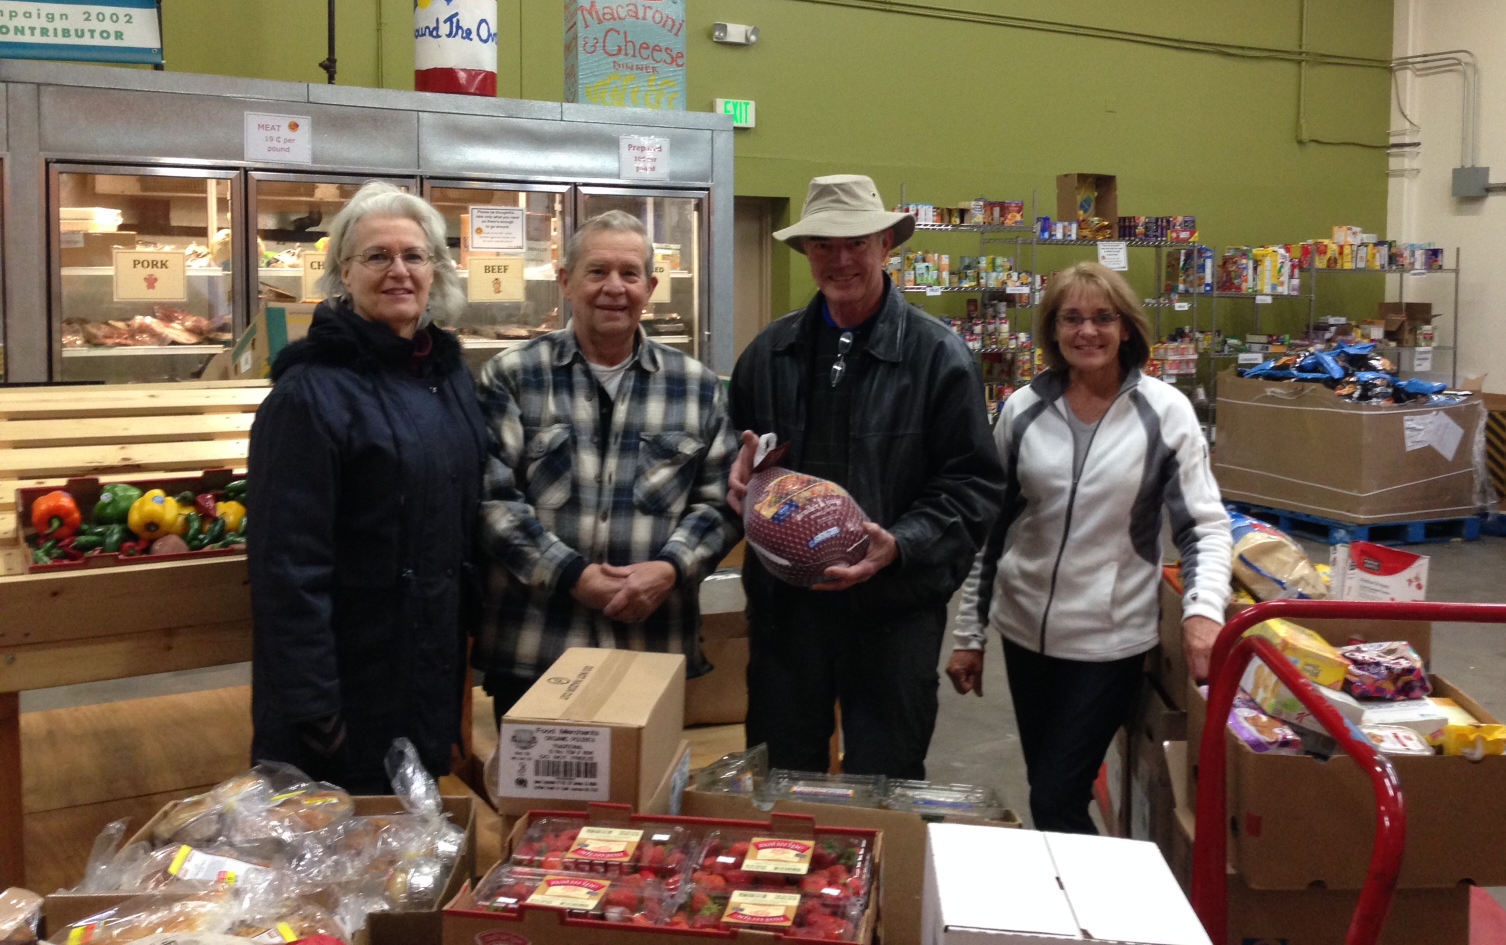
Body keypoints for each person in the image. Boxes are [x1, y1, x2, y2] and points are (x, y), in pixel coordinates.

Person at [726, 174, 1003, 780]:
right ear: (807, 252)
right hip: (787, 614)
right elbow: (734, 455)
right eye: (824, 243)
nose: (841, 258)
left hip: (893, 612)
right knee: (782, 780)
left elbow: (973, 486)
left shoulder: (938, 356)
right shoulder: (769, 354)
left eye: (856, 241)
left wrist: (899, 545)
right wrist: (738, 480)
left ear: (885, 244)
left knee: (884, 781)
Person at [945, 261, 1233, 833]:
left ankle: (1108, 915)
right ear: (1053, 330)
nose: (1087, 332)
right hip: (1026, 637)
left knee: (1055, 797)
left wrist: (1203, 615)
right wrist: (969, 636)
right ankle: (1082, 908)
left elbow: (1204, 527)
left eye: (1103, 318)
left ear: (1126, 327)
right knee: (1052, 794)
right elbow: (992, 532)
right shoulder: (1023, 411)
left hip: (1110, 644)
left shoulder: (1164, 413)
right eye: (1071, 318)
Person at [247, 181, 485, 793]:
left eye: (414, 256)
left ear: (436, 271)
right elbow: (286, 566)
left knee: (409, 859)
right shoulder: (308, 395)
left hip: (424, 673)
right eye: (378, 256)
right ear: (343, 275)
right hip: (344, 693)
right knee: (334, 870)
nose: (398, 271)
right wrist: (312, 707)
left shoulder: (448, 377)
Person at [475, 210, 736, 724]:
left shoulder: (697, 386)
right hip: (536, 644)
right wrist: (573, 575)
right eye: (597, 272)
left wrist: (668, 570)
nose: (613, 288)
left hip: (650, 645)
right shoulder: (511, 376)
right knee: (539, 802)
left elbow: (721, 503)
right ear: (566, 282)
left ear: (651, 286)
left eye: (629, 273)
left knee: (639, 799)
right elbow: (491, 500)